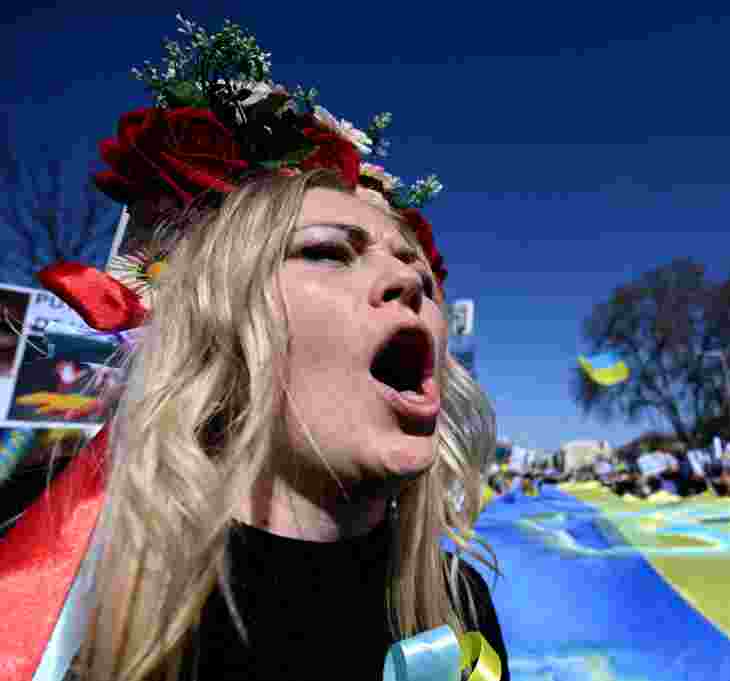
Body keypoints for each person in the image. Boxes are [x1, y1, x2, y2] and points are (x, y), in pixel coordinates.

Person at [0, 17, 508, 681]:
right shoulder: (74, 612)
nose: (412, 279)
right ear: (222, 329)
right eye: (328, 251)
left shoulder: (460, 609)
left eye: (418, 266)